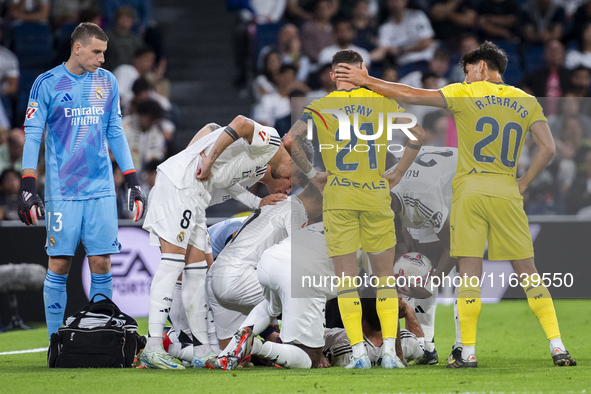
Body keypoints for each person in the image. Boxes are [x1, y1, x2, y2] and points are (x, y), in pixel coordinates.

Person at [335, 41, 576, 368]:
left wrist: (367, 81)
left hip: (471, 192)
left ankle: (468, 351)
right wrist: (522, 183)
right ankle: (557, 346)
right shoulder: (527, 100)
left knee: (470, 275)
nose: (464, 79)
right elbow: (547, 148)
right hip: (506, 190)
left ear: (481, 68)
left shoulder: (466, 94)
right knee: (529, 273)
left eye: (466, 72)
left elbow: (410, 94)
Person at [288, 49, 426, 369]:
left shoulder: (320, 107)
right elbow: (417, 136)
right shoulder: (382, 102)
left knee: (347, 281)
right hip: (376, 194)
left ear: (334, 75)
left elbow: (290, 141)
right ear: (362, 70)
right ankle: (390, 353)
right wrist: (398, 173)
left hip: (339, 197)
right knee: (384, 279)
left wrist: (312, 175)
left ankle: (359, 355)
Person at [18, 23, 146, 340]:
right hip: (62, 191)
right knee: (59, 263)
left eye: (104, 52)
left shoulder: (108, 82)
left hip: (101, 189)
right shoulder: (46, 83)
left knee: (101, 262)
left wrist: (132, 179)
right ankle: (53, 342)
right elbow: (33, 136)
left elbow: (114, 131)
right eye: (97, 51)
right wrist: (28, 184)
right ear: (78, 48)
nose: (103, 58)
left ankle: (101, 335)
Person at [141, 116, 291, 369]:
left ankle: (201, 350)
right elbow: (241, 123)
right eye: (290, 181)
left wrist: (255, 203)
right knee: (172, 264)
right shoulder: (271, 139)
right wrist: (207, 158)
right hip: (180, 186)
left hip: (198, 196)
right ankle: (153, 346)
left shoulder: (256, 166)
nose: (287, 188)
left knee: (198, 273)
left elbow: (227, 179)